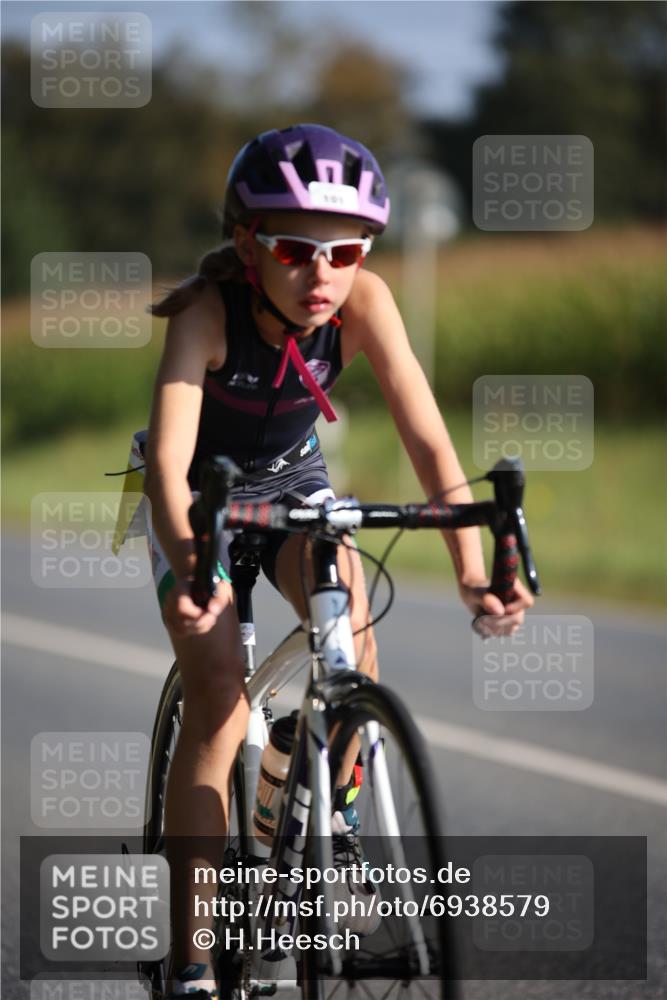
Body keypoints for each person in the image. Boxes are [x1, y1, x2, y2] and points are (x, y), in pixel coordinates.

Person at [141, 123, 534, 997]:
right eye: (293, 250)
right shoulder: (207, 315)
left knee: (350, 633)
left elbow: (430, 443)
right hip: (201, 497)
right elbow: (167, 466)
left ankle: (311, 787)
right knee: (215, 701)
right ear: (247, 244)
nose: (322, 276)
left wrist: (471, 568)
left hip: (292, 482)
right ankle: (194, 960)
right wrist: (193, 568)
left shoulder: (365, 303)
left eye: (344, 252)